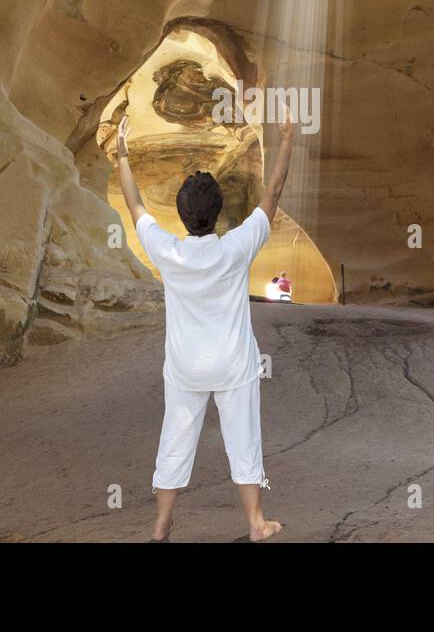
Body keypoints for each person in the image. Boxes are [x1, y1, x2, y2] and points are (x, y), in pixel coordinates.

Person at [115, 106, 295, 542]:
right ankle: (256, 524)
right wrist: (288, 138)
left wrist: (122, 154)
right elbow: (271, 194)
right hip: (233, 364)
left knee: (175, 442)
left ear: (181, 215)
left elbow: (136, 205)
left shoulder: (168, 251)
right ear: (217, 213)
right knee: (244, 439)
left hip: (185, 367)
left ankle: (161, 525)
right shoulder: (235, 248)